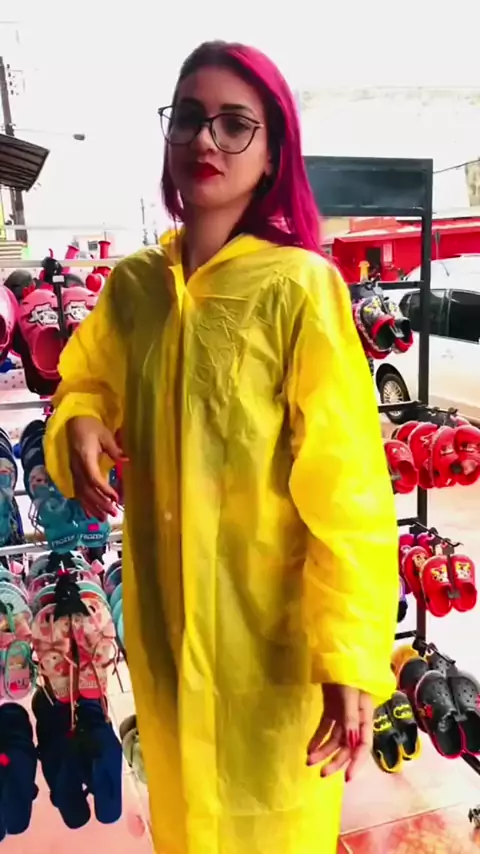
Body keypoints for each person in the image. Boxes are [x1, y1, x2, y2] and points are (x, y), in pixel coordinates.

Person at [45, 40, 398, 854]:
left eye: (236, 124)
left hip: (268, 652)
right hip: (166, 642)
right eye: (190, 118)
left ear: (273, 153)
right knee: (185, 825)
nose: (207, 139)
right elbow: (84, 382)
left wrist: (350, 653)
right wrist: (80, 423)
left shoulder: (299, 288)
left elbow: (348, 489)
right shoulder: (134, 287)